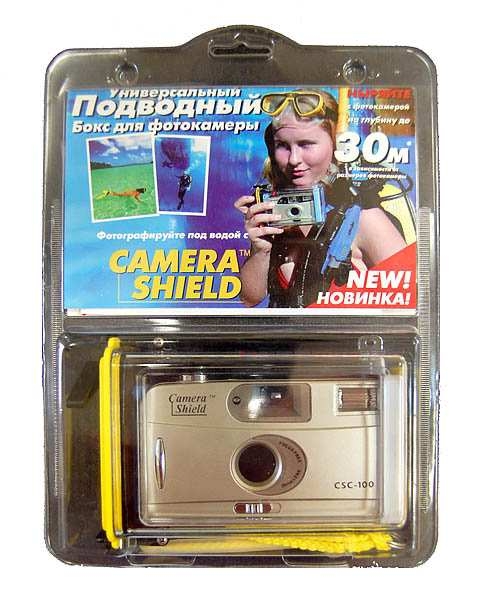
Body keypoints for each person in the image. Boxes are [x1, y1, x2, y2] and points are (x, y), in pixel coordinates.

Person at [234, 90, 407, 308]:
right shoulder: (276, 213)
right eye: (283, 146)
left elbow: (410, 302)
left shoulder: (363, 218)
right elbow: (249, 299)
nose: (294, 159)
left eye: (306, 144)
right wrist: (261, 250)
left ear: (336, 145)